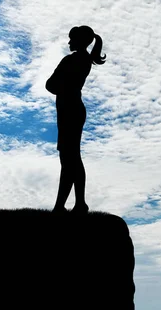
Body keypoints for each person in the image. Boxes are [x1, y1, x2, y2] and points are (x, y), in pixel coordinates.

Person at [46, 25, 106, 213]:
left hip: (70, 110)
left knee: (69, 158)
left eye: (72, 39)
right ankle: (73, 204)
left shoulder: (73, 60)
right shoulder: (83, 60)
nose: (69, 42)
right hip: (71, 109)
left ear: (80, 41)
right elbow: (53, 85)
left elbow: (50, 84)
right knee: (71, 158)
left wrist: (60, 84)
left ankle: (66, 205)